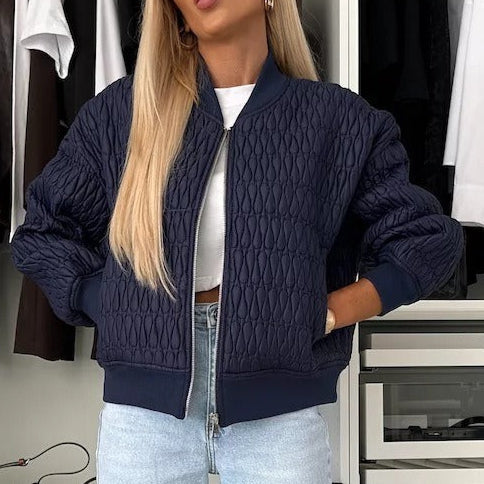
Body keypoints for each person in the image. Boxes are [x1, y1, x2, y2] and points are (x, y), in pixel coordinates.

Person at [9, 0, 464, 482]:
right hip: (145, 423)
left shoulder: (339, 121)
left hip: (278, 421)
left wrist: (326, 312)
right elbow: (43, 232)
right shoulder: (122, 113)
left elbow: (427, 242)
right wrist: (114, 302)